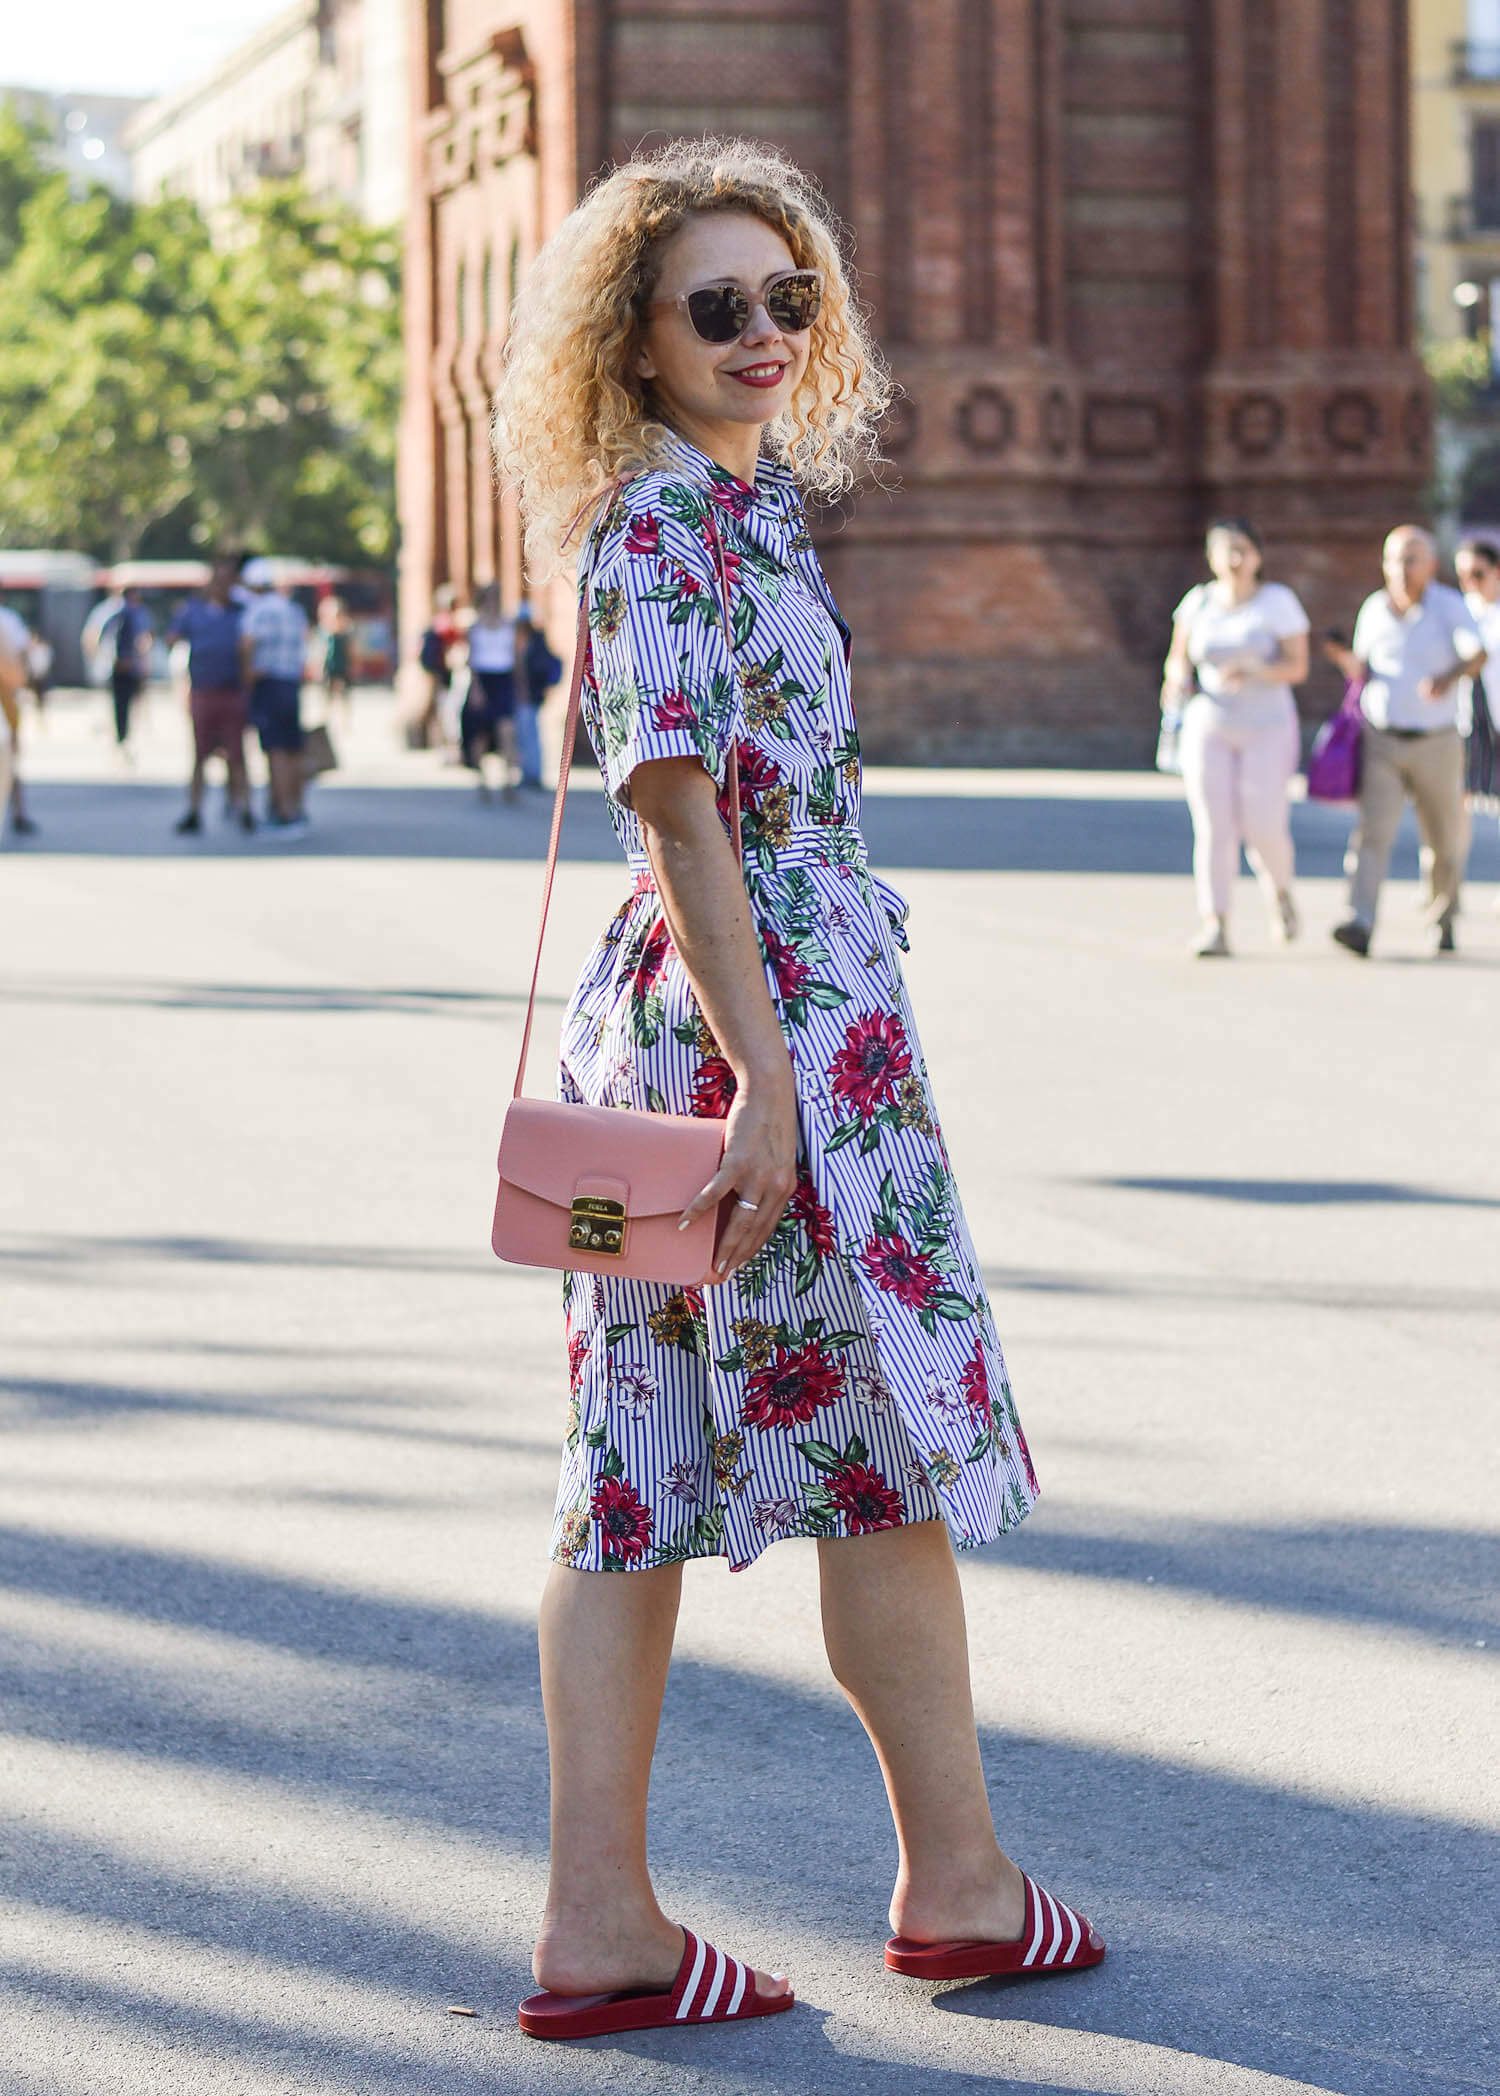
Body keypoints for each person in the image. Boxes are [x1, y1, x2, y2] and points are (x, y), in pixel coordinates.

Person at [490, 138, 1103, 2044]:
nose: (765, 332)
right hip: (772, 1053)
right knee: (882, 1463)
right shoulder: (664, 530)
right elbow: (672, 799)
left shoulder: (732, 517)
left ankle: (617, 1922)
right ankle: (960, 1890)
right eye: (719, 307)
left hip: (767, 1037)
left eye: (793, 297)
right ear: (635, 338)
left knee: (642, 1475)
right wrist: (767, 1080)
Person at [1325, 526, 1483, 957]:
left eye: (1411, 558)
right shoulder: (1375, 609)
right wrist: (1345, 661)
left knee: (1443, 839)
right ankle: (1360, 920)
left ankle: (1442, 918)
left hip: (1437, 739)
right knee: (1371, 833)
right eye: (1394, 558)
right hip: (1383, 739)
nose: (1401, 568)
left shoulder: (1449, 607)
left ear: (1431, 565)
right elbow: (1365, 669)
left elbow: (1477, 654)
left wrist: (1446, 678)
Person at [1161, 520, 1309, 956]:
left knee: (1263, 824)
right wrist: (1176, 681)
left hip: (1267, 725)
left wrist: (1255, 672)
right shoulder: (1198, 603)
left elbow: (1297, 667)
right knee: (1213, 825)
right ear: (1212, 557)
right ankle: (1216, 923)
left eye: (1244, 550)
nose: (1235, 559)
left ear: (1258, 556)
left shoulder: (1277, 603)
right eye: (1226, 550)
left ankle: (1279, 890)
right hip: (1209, 723)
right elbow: (1178, 658)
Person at [168, 555, 253, 835]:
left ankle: (244, 807)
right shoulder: (193, 611)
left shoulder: (243, 612)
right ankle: (194, 810)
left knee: (237, 754)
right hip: (203, 690)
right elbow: (173, 638)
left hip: (233, 691)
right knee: (200, 754)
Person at [240, 558, 311, 831]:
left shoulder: (257, 611)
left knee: (276, 751)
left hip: (268, 684)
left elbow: (248, 644)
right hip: (291, 683)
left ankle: (283, 812)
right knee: (293, 749)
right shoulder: (294, 611)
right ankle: (297, 806)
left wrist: (247, 675)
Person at [1454, 535, 1499, 818]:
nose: (1470, 583)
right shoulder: (1459, 611)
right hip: (1468, 708)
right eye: (1463, 576)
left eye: (1477, 574)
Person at [461, 583, 519, 798]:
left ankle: (508, 781)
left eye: (497, 596)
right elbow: (471, 660)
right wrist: (475, 687)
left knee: (506, 731)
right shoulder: (474, 627)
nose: (493, 601)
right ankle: (483, 781)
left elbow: (516, 658)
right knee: (481, 735)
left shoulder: (508, 625)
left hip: (503, 678)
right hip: (482, 680)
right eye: (490, 597)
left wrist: (519, 686)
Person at [512, 600, 562, 790]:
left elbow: (531, 671)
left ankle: (534, 773)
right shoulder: (518, 643)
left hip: (531, 696)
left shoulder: (535, 643)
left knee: (531, 734)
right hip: (519, 697)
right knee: (523, 735)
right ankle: (527, 771)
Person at [0, 603, 38, 838]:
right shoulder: (6, 619)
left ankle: (19, 812)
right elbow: (18, 676)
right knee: (13, 756)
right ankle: (19, 812)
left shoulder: (5, 620)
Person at [106, 587, 153, 755]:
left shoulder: (117, 613)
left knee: (124, 704)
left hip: (125, 666)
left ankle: (124, 737)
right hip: (126, 666)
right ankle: (124, 737)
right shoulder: (128, 614)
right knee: (126, 704)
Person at [319, 596, 353, 727]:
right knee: (327, 696)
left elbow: (350, 650)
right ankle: (326, 721)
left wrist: (352, 665)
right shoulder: (325, 631)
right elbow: (322, 650)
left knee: (344, 695)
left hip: (342, 665)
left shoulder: (346, 631)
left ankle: (345, 721)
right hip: (329, 666)